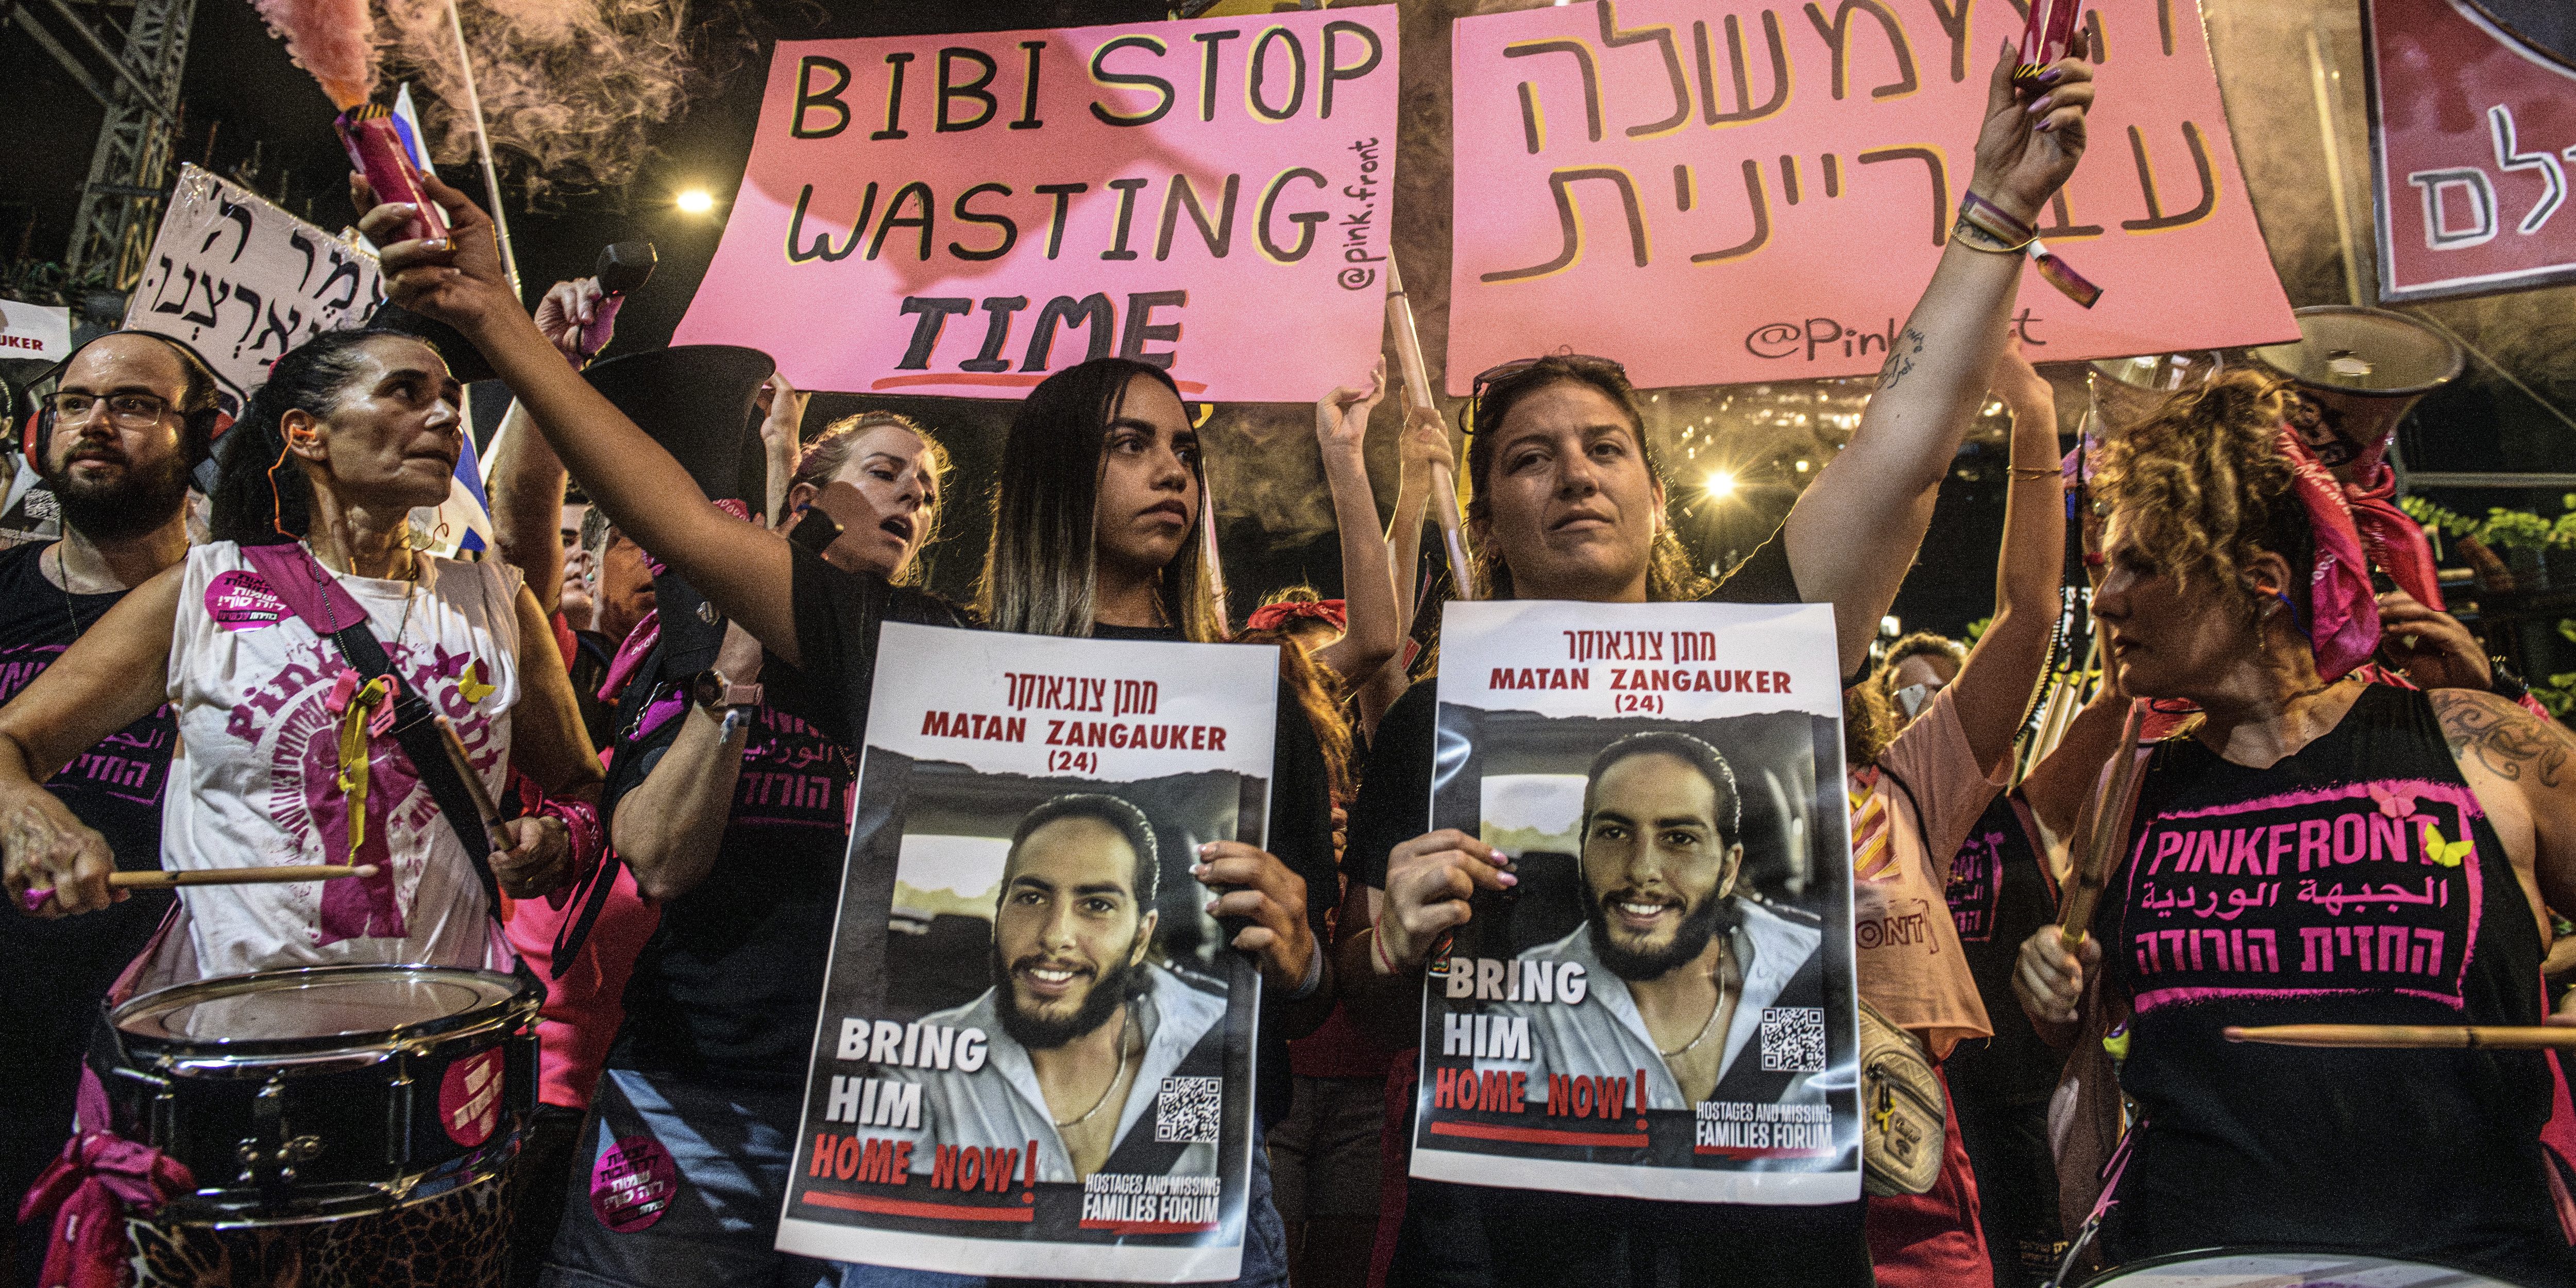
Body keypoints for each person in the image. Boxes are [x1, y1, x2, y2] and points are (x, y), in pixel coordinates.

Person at [363, 172, 1338, 1287]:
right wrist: (495, 320)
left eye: (1184, 448)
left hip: (1177, 1198)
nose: (1173, 467)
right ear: (1057, 471)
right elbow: (678, 519)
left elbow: (1317, 990)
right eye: (1131, 442)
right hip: (942, 1194)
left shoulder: (1250, 701)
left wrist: (1303, 955)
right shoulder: (928, 662)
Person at [1337, 40, 2095, 1287]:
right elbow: (1368, 999)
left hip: (1756, 1234)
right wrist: (1390, 949)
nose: (1573, 472)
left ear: (1652, 488)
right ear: (1486, 513)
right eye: (1530, 457)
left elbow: (1901, 451)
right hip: (1499, 1237)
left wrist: (1999, 213)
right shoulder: (1432, 721)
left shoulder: (1752, 656)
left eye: (1604, 447)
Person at [2013, 368, 2576, 1287]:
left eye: (2143, 564)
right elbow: (2116, 1042)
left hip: (2461, 1262)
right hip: (2189, 1260)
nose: (2108, 599)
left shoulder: (2483, 745)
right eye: (2105, 567)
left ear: (2265, 581)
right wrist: (2057, 999)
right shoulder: (2131, 783)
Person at [540, 409, 953, 1286]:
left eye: (923, 495)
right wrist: (735, 671)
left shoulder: (931, 657)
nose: (910, 502)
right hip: (696, 1097)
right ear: (806, 499)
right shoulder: (693, 645)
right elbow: (658, 859)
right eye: (885, 475)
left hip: (880, 1115)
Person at [1846, 341, 2063, 1288]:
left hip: (1909, 1121)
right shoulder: (1693, 781)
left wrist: (2033, 426)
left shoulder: (1907, 782)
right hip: (1753, 1125)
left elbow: (2029, 616)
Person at [0, 332, 212, 1282]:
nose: (95, 423)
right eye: (77, 401)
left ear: (199, 434)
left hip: (139, 1071)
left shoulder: (243, 616)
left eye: (132, 404)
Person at [892, 794, 1227, 1181]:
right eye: (1031, 898)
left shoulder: (1213, 1037)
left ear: (1140, 938)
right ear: (999, 914)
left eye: (1097, 905)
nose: (1055, 936)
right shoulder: (920, 1064)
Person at [1483, 733, 1826, 1110]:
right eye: (1614, 834)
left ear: (1729, 870)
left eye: (1680, 838)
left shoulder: (1806, 967)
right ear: (1583, 852)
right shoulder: (1529, 998)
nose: (1642, 870)